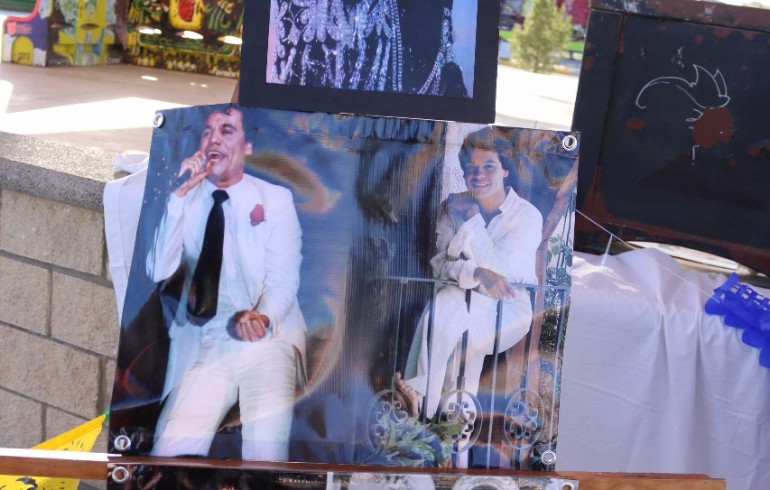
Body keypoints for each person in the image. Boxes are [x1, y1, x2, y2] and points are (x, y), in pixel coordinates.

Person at [145, 106, 306, 460]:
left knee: (265, 454)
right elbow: (157, 269)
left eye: (227, 130)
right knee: (167, 451)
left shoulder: (274, 200)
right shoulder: (189, 198)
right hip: (212, 342)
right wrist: (178, 198)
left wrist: (262, 318)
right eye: (207, 131)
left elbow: (283, 280)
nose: (214, 138)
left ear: (247, 146)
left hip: (269, 341)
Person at [397, 127, 543, 422]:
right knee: (453, 306)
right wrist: (475, 272)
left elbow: (503, 270)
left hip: (508, 310)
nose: (478, 175)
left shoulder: (527, 216)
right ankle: (454, 419)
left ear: (505, 170)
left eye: (488, 166)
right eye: (470, 168)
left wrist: (472, 219)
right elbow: (439, 265)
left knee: (453, 305)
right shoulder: (451, 206)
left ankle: (420, 395)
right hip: (462, 300)